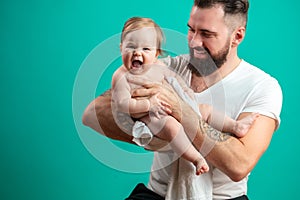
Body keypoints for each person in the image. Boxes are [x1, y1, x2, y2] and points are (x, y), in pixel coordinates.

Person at [82, 0, 282, 199]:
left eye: (206, 34)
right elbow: (93, 113)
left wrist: (181, 111)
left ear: (236, 36)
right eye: (191, 30)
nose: (194, 42)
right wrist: (161, 135)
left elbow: (239, 164)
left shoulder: (261, 86)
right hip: (156, 194)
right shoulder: (166, 67)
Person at [112, 17, 258, 176]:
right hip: (149, 117)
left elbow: (175, 79)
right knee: (172, 127)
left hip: (172, 108)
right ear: (121, 48)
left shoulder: (159, 67)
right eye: (130, 47)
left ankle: (235, 126)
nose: (137, 53)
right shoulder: (121, 76)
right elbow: (123, 104)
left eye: (146, 49)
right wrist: (149, 105)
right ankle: (196, 159)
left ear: (156, 54)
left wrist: (186, 91)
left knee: (206, 110)